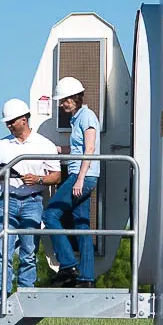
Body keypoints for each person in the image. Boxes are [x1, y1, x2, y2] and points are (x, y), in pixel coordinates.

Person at [0, 98, 62, 307]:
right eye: (7, 123)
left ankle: (25, 300)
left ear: (24, 119)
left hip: (32, 201)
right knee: (3, 253)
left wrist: (37, 179)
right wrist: (1, 176)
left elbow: (56, 175)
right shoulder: (0, 145)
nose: (9, 126)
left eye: (12, 121)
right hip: (7, 201)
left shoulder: (43, 144)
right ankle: (0, 301)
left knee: (28, 253)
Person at [43, 77, 100, 288]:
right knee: (81, 224)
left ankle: (68, 265)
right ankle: (87, 278)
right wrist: (57, 150)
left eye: (64, 100)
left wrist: (80, 179)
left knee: (49, 215)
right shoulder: (77, 118)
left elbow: (90, 149)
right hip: (80, 174)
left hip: (81, 176)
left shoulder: (87, 117)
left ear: (75, 98)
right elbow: (77, 149)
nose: (62, 104)